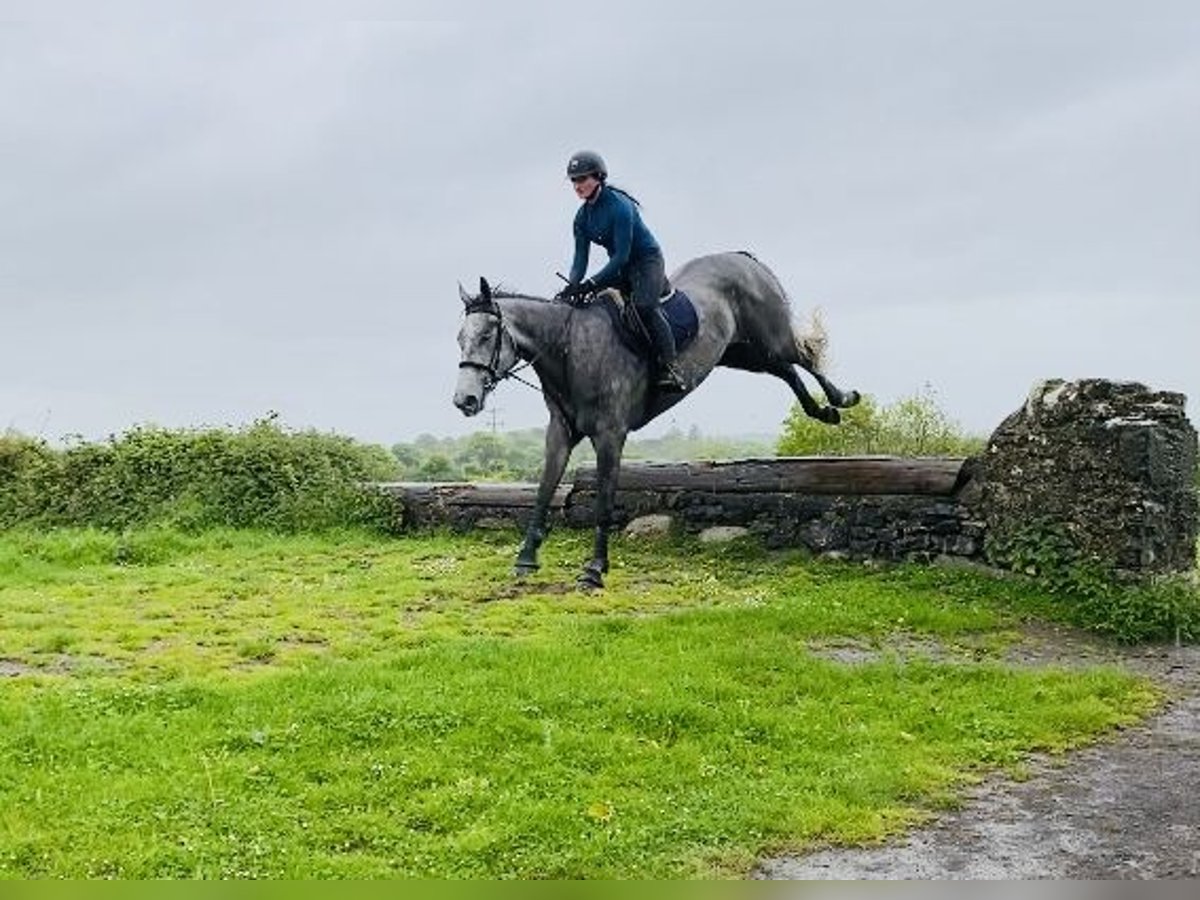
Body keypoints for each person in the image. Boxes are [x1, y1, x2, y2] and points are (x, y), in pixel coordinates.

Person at [556, 150, 685, 390]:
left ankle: (671, 367)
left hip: (646, 261)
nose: (577, 185)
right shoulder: (581, 218)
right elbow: (580, 259)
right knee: (591, 304)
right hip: (621, 268)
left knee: (645, 307)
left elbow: (621, 255)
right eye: (574, 180)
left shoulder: (620, 206)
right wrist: (574, 284)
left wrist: (593, 282)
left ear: (598, 177)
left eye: (582, 179)